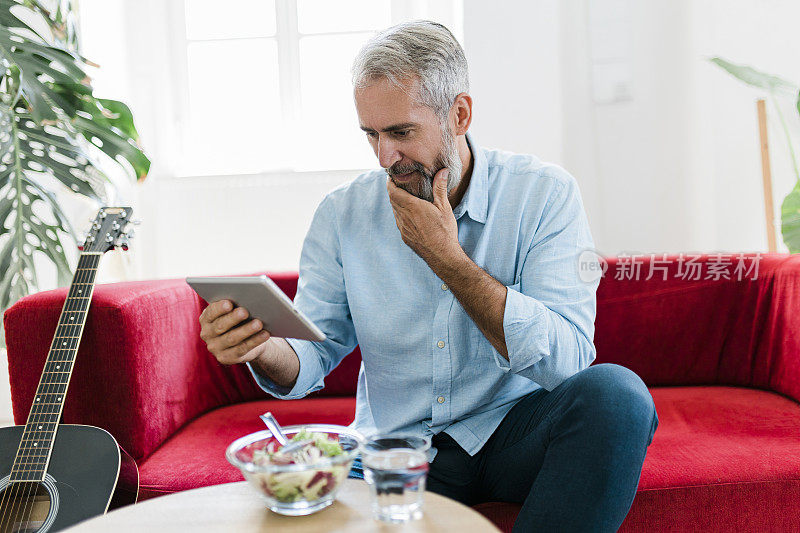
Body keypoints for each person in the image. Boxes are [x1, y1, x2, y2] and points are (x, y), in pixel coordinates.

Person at [199, 20, 658, 532]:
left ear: (459, 114)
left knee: (617, 396)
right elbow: (311, 356)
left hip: (510, 433)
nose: (384, 158)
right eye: (371, 135)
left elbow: (569, 361)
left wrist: (448, 259)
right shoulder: (342, 214)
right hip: (396, 448)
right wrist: (260, 347)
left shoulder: (544, 194)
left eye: (400, 133)